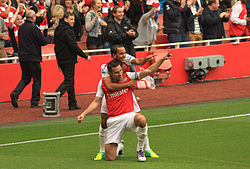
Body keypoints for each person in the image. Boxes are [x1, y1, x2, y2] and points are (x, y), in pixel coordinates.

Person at [77, 52, 172, 161]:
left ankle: (140, 149)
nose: (120, 74)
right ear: (110, 74)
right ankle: (118, 144)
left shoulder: (129, 76)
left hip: (128, 117)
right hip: (113, 120)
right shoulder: (103, 84)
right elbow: (96, 102)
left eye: (121, 71)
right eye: (117, 72)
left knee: (141, 119)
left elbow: (149, 70)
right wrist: (83, 114)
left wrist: (162, 59)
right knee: (110, 158)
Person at [93, 44, 158, 160]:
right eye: (121, 53)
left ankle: (146, 149)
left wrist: (146, 59)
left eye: (124, 53)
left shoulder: (126, 58)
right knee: (104, 121)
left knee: (139, 119)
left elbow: (138, 61)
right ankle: (103, 150)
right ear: (114, 55)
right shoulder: (105, 67)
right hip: (110, 95)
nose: (124, 55)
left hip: (126, 94)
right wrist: (128, 84)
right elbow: (109, 86)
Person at [10, 10, 48, 108]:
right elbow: (43, 42)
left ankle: (15, 92)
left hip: (23, 57)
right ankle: (34, 102)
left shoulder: (21, 28)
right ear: (33, 18)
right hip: (33, 57)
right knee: (36, 80)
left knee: (25, 78)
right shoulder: (34, 28)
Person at [54, 12, 91, 110]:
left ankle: (72, 103)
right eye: (71, 19)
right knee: (69, 80)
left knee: (70, 81)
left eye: (74, 19)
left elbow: (56, 47)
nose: (73, 21)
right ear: (65, 19)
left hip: (62, 59)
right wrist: (85, 56)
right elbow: (74, 46)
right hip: (68, 59)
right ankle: (53, 98)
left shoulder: (58, 30)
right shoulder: (68, 32)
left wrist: (58, 61)